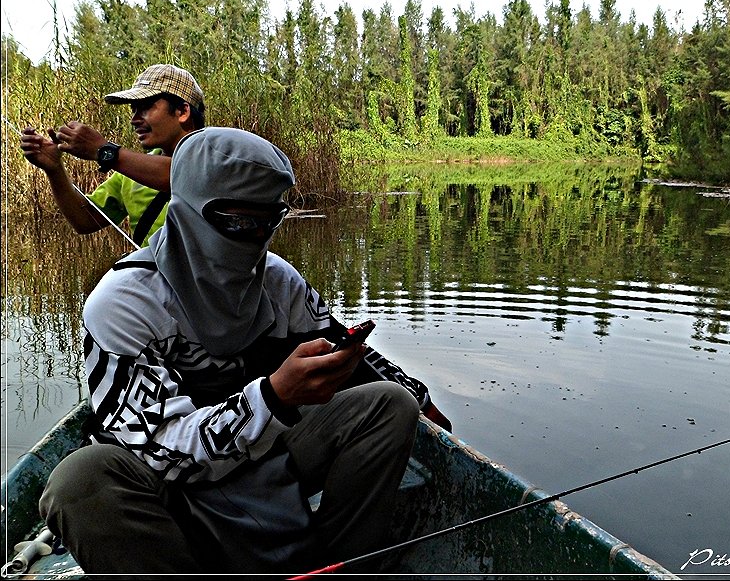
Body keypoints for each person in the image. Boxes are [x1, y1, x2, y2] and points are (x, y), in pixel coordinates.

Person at [39, 127, 447, 576]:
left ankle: (337, 567)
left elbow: (344, 346)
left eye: (268, 221)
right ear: (189, 211)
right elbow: (160, 450)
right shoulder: (123, 303)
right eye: (238, 222)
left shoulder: (278, 280)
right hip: (166, 483)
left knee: (390, 405)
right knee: (78, 481)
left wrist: (419, 398)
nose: (255, 238)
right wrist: (273, 399)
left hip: (262, 451)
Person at [19, 64, 205, 247]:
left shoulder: (219, 154)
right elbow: (85, 220)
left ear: (182, 111)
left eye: (146, 107)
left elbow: (181, 174)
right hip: (155, 276)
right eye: (134, 109)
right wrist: (54, 169)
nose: (134, 119)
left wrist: (104, 151)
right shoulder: (130, 173)